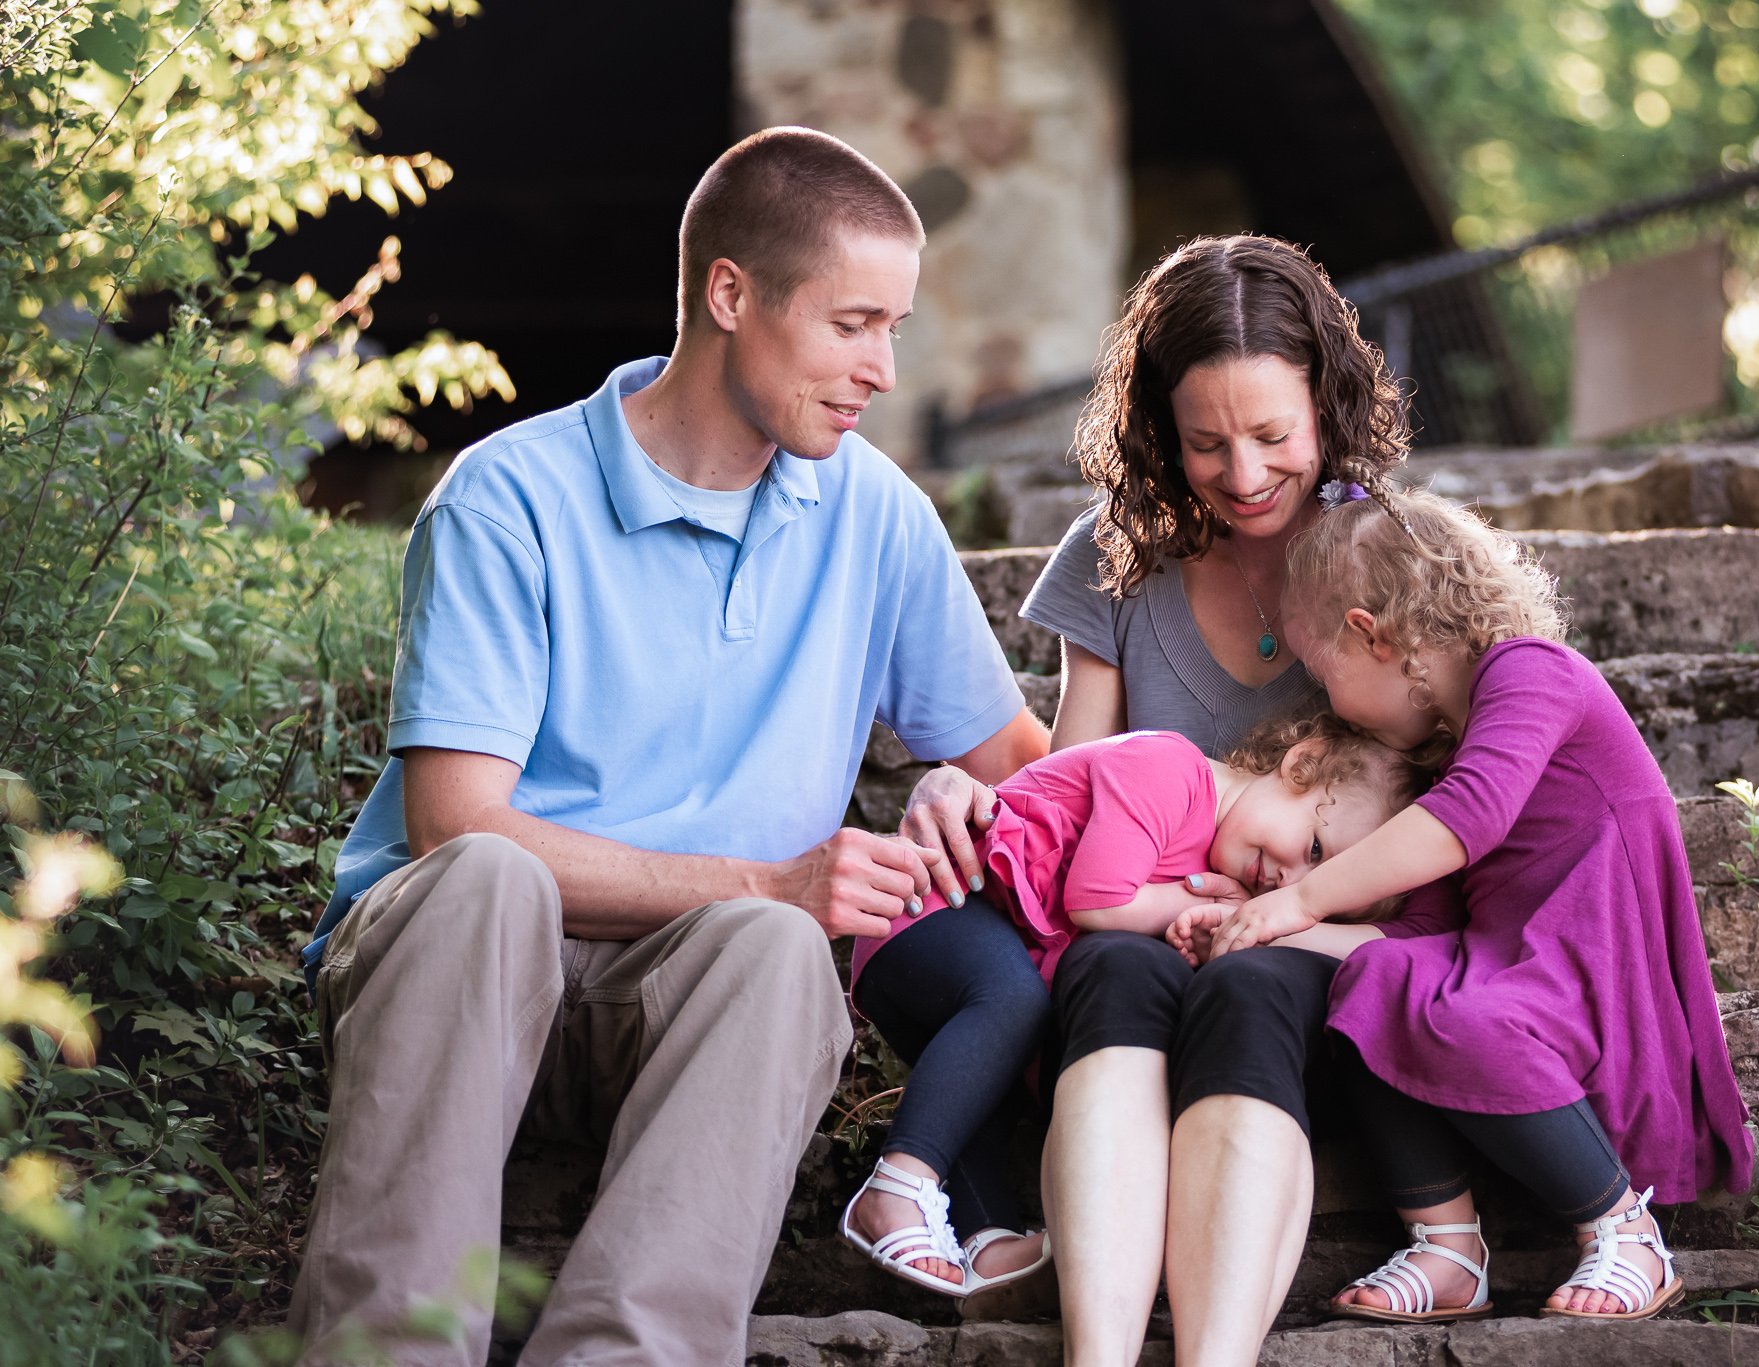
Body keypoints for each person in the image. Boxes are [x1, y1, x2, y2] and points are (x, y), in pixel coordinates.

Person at [287, 127, 1047, 1367]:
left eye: (893, 329)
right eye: (852, 323)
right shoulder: (508, 497)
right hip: (458, 984)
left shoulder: (872, 513)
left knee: (780, 953)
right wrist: (770, 878)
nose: (881, 369)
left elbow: (1031, 766)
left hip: (681, 1007)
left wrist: (974, 778)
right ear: (731, 294)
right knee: (493, 882)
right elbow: (454, 829)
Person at [899, 234, 1411, 1366]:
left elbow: (1441, 806)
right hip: (1127, 948)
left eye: (1274, 436)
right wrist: (959, 783)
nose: (1241, 474)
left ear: (1326, 404)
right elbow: (1062, 787)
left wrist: (1277, 911)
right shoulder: (1117, 552)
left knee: (1251, 982)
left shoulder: (1387, 559)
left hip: (1295, 946)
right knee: (1113, 961)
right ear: (1155, 434)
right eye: (1203, 442)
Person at [1194, 484, 1754, 1323]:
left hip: (1590, 944)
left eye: (1324, 676)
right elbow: (1414, 931)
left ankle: (1623, 1227)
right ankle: (1448, 1245)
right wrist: (1265, 932)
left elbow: (1469, 820)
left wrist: (1298, 897)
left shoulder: (1529, 671)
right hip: (1509, 950)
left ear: (1368, 634)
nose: (1329, 703)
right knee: (1376, 980)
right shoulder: (1446, 744)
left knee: (1464, 1017)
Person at [843, 716, 1418, 1298]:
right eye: (1313, 847)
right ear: (1300, 764)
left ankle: (985, 1239)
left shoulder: (1219, 861)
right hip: (934, 898)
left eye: (1306, 889)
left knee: (998, 1081)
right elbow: (1097, 901)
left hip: (983, 953)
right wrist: (1220, 906)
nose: (1285, 881)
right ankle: (897, 1184)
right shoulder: (1169, 769)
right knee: (1014, 999)